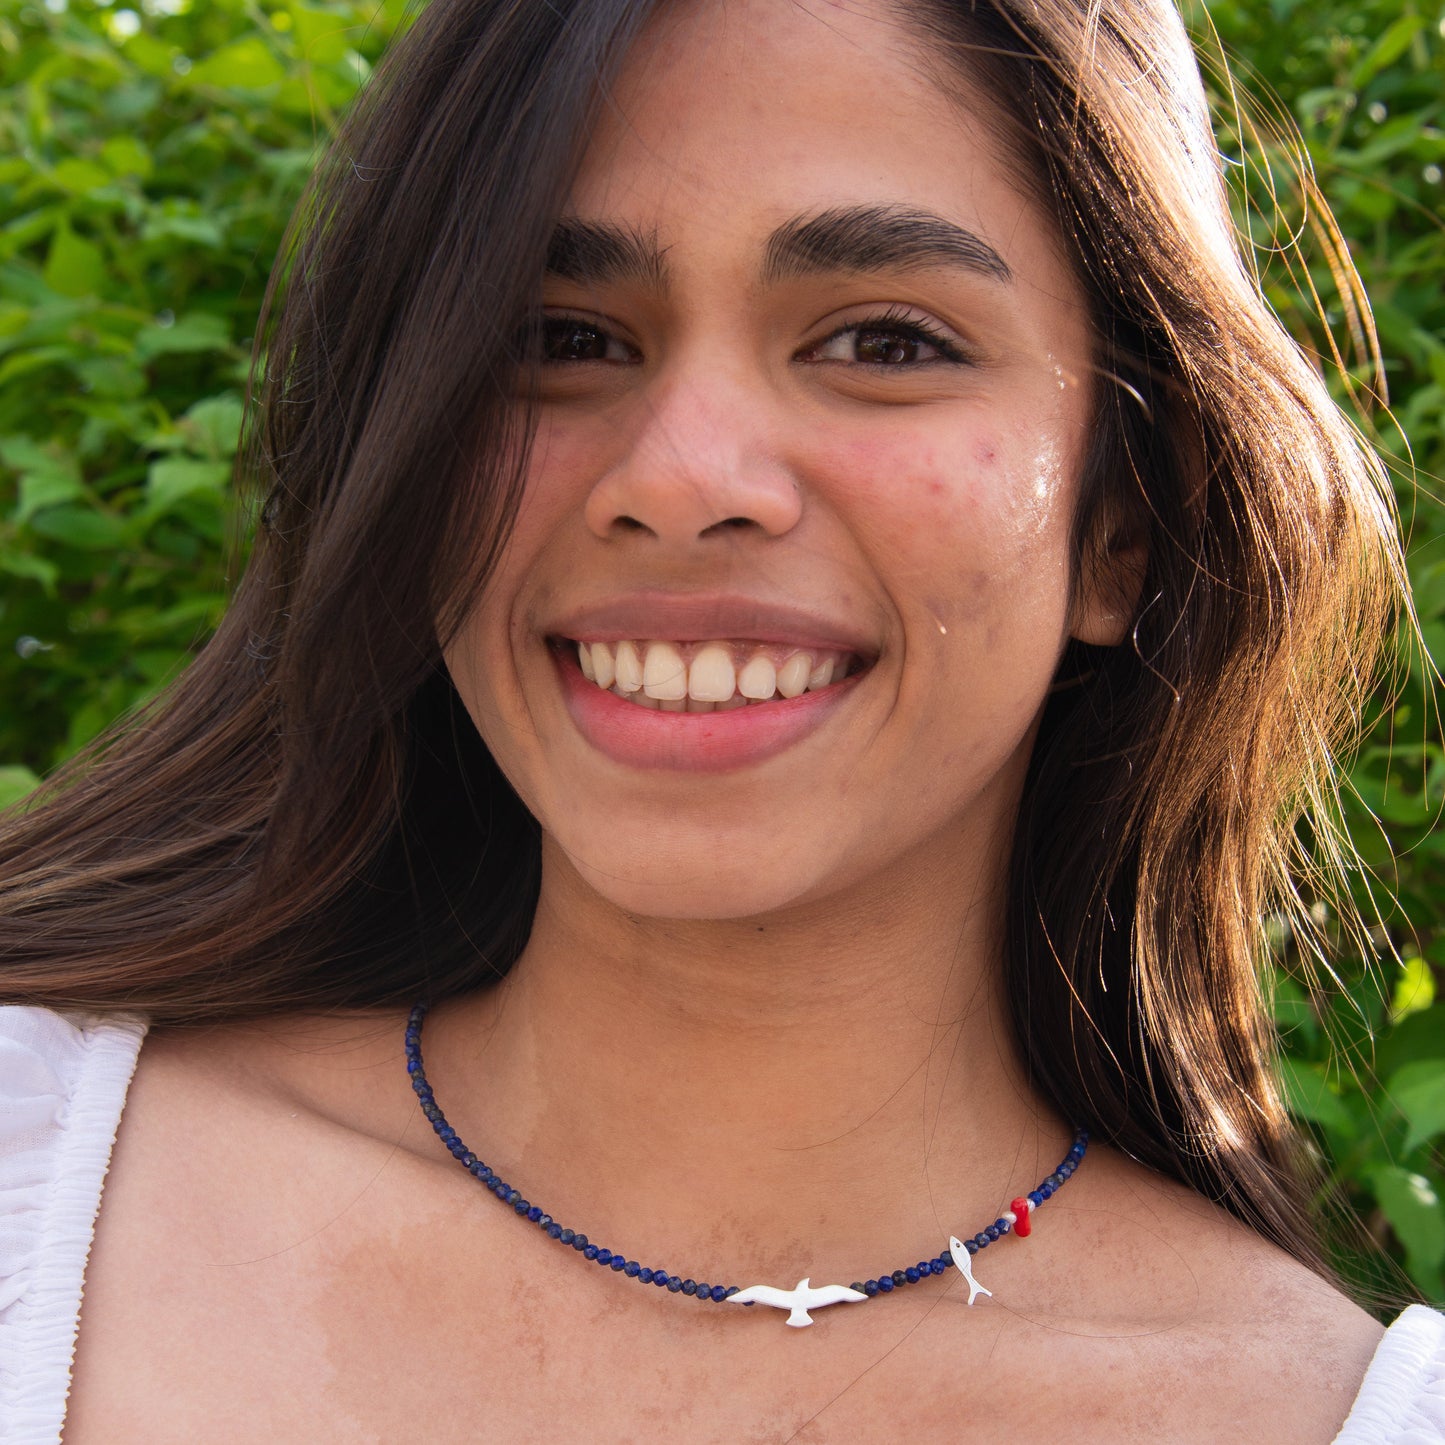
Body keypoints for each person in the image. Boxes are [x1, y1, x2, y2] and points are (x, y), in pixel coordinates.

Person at [1, 0, 1441, 1438]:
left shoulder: (1347, 1415)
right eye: (563, 335)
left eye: (884, 340)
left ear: (1122, 523)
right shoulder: (33, 1161)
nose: (685, 476)